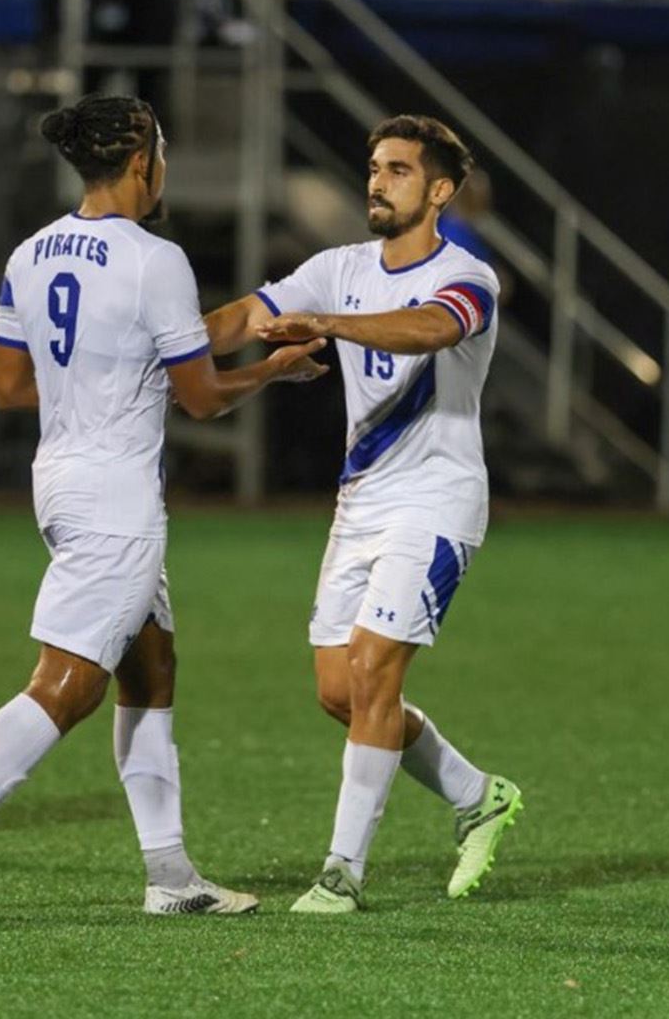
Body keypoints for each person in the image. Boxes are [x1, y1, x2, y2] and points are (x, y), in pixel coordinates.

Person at [0, 93, 329, 918]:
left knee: (150, 669)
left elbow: (7, 387)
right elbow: (200, 399)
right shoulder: (156, 259)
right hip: (118, 496)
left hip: (59, 480)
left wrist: (102, 375)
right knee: (70, 681)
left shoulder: (33, 251)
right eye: (162, 153)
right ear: (140, 164)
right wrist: (274, 371)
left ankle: (170, 876)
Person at [200, 114, 522, 914]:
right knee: (341, 692)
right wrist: (161, 345)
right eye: (374, 167)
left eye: (400, 170)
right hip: (360, 503)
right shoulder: (339, 266)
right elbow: (241, 318)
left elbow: (428, 329)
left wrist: (327, 323)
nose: (376, 181)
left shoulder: (470, 275)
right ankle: (478, 794)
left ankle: (342, 872)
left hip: (438, 502)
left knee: (377, 672)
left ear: (440, 191)